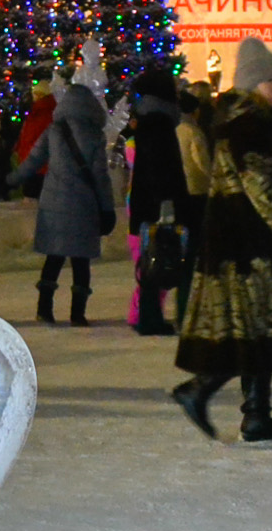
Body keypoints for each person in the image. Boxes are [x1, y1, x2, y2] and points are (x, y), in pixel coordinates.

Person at [169, 37, 272, 443]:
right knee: (251, 330)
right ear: (251, 83)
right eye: (269, 80)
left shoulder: (244, 122)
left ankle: (255, 414)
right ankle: (201, 390)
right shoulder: (249, 126)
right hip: (250, 246)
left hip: (244, 242)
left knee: (257, 332)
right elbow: (261, 188)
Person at [13, 80, 113, 325]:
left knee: (54, 258)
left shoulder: (53, 131)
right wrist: (108, 209)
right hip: (84, 206)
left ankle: (44, 310)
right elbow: (100, 176)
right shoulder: (94, 136)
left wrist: (9, 180)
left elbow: (32, 162)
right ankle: (77, 314)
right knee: (81, 262)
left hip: (54, 206)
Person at [123, 67, 193, 334]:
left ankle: (149, 317)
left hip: (148, 204)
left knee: (154, 261)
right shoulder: (159, 123)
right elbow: (160, 169)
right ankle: (150, 318)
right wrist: (168, 205)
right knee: (159, 259)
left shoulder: (150, 120)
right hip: (158, 205)